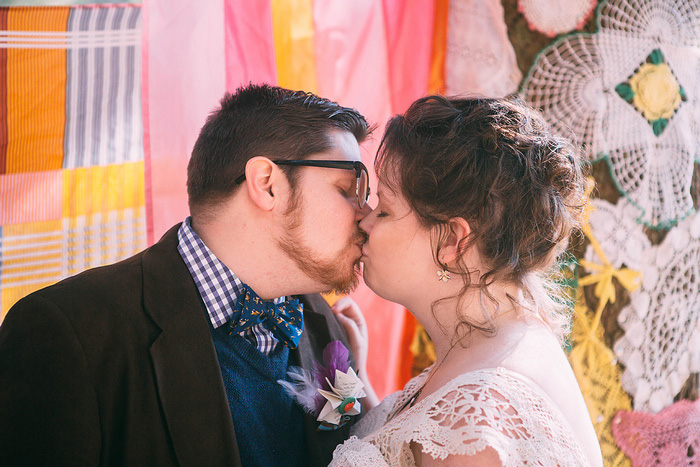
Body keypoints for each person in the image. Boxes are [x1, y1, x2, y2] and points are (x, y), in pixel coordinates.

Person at [0, 84, 374, 466]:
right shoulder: (67, 330)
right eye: (348, 188)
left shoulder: (323, 322)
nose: (366, 213)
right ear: (268, 184)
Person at [331, 95, 604, 466]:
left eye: (384, 209)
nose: (364, 222)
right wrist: (361, 390)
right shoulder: (501, 341)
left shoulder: (475, 423)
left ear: (452, 240)